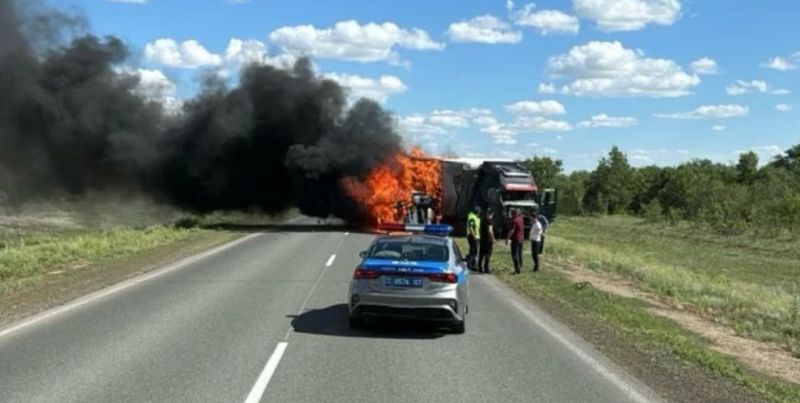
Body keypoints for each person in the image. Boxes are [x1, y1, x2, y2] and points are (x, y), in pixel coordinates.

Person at [505, 209, 524, 274]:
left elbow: (512, 230)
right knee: (520, 254)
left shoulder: (514, 220)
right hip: (521, 238)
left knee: (514, 255)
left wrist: (507, 238)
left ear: (513, 214)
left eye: (511, 213)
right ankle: (520, 266)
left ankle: (517, 270)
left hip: (515, 239)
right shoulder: (521, 218)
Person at [478, 209, 495, 274]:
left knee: (481, 254)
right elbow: (490, 231)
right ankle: (486, 268)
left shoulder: (482, 219)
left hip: (482, 239)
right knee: (488, 254)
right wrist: (492, 238)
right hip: (488, 240)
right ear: (491, 214)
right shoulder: (489, 221)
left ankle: (479, 267)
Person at [466, 206, 481, 271]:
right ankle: (471, 265)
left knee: (473, 251)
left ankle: (472, 264)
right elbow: (471, 227)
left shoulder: (474, 217)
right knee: (473, 251)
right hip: (473, 237)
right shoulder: (472, 217)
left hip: (475, 236)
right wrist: (474, 236)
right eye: (479, 212)